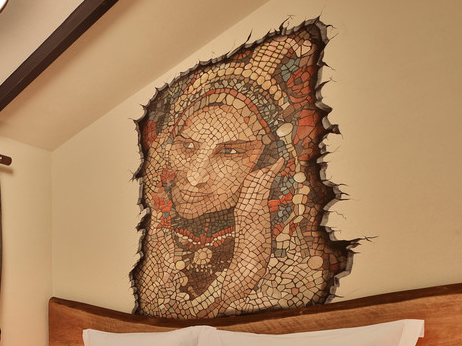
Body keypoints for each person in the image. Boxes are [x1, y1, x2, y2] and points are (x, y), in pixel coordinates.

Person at [131, 23, 352, 319]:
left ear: (269, 161)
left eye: (230, 152)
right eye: (187, 146)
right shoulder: (160, 234)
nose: (196, 177)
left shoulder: (298, 258)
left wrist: (251, 233)